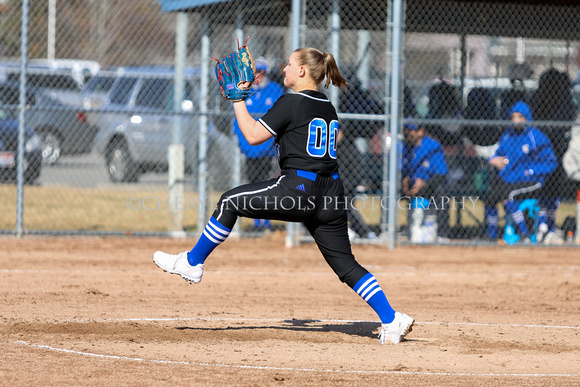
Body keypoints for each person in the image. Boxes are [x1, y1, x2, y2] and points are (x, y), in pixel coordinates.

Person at [153, 47, 414, 344]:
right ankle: (392, 319)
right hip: (331, 193)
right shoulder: (326, 104)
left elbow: (252, 137)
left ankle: (193, 262)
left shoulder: (291, 102)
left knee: (229, 201)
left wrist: (238, 99)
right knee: (346, 266)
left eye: (290, 64)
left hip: (299, 189)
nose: (284, 68)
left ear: (302, 71)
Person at [482, 101, 557, 243]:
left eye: (520, 116)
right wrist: (494, 160)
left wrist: (530, 171)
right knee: (489, 198)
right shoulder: (507, 136)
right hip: (510, 179)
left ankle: (524, 234)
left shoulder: (536, 136)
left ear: (526, 117)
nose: (516, 120)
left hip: (532, 180)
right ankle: (491, 236)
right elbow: (498, 153)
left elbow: (551, 162)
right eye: (513, 117)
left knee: (508, 195)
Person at [232, 57, 285, 230]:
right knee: (252, 184)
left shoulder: (275, 91)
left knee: (267, 184)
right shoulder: (245, 91)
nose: (258, 76)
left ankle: (266, 222)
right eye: (255, 72)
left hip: (268, 149)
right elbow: (237, 122)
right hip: (249, 149)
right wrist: (243, 143)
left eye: (261, 72)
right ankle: (257, 222)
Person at [530, 68, 577, 244]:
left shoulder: (563, 98)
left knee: (551, 187)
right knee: (545, 187)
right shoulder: (542, 98)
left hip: (554, 147)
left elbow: (567, 119)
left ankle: (547, 227)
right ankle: (544, 226)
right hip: (546, 147)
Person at [337, 76, 383, 239]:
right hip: (343, 178)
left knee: (343, 205)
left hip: (348, 179)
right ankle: (359, 232)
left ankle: (364, 233)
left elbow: (354, 174)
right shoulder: (339, 149)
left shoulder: (348, 148)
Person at [400, 120, 449, 242]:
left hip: (430, 185)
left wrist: (424, 183)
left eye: (412, 130)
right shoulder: (405, 146)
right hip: (411, 185)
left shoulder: (432, 146)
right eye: (407, 129)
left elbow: (441, 174)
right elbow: (402, 169)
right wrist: (404, 181)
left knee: (441, 192)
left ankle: (442, 235)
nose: (408, 133)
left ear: (420, 132)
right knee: (391, 187)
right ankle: (389, 230)